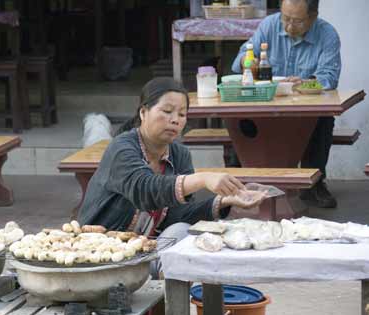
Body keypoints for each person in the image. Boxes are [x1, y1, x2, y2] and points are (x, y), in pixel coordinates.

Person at [78, 77, 265, 260]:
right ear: (143, 113)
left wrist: (225, 200)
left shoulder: (179, 154)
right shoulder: (122, 148)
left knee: (183, 232)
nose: (175, 120)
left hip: (143, 249)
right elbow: (145, 189)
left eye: (182, 114)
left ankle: (171, 283)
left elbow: (179, 214)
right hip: (102, 253)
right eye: (167, 111)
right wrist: (202, 179)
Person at [231, 0, 341, 208]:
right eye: (286, 19)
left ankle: (314, 185)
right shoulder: (269, 25)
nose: (289, 27)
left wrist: (307, 82)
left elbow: (329, 78)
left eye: (297, 22)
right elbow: (239, 64)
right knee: (238, 117)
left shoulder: (327, 34)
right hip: (265, 105)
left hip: (305, 108)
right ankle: (235, 184)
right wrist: (249, 61)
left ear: (313, 16)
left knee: (324, 118)